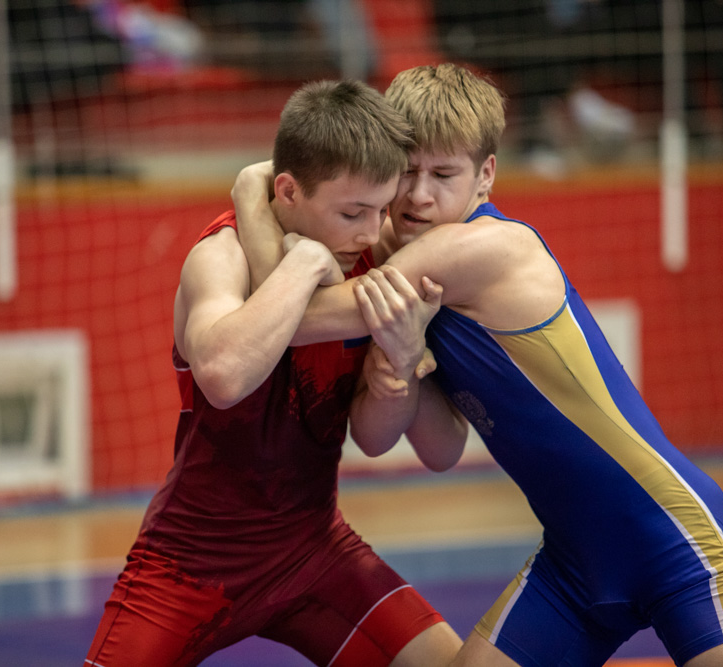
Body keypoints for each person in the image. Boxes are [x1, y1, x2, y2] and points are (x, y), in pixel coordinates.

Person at [231, 63, 723, 666]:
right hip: (573, 565)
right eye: (408, 173)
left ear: (486, 175)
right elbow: (440, 450)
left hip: (670, 535)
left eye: (444, 175)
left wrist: (249, 198)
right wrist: (402, 357)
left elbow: (293, 320)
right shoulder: (404, 259)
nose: (419, 195)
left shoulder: (481, 248)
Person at [84, 78, 463, 666]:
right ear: (286, 191)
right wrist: (305, 261)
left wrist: (400, 365)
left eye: (380, 210)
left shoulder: (370, 257)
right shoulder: (222, 256)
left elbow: (384, 439)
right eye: (351, 212)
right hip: (190, 562)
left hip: (314, 548)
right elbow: (224, 373)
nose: (371, 231)